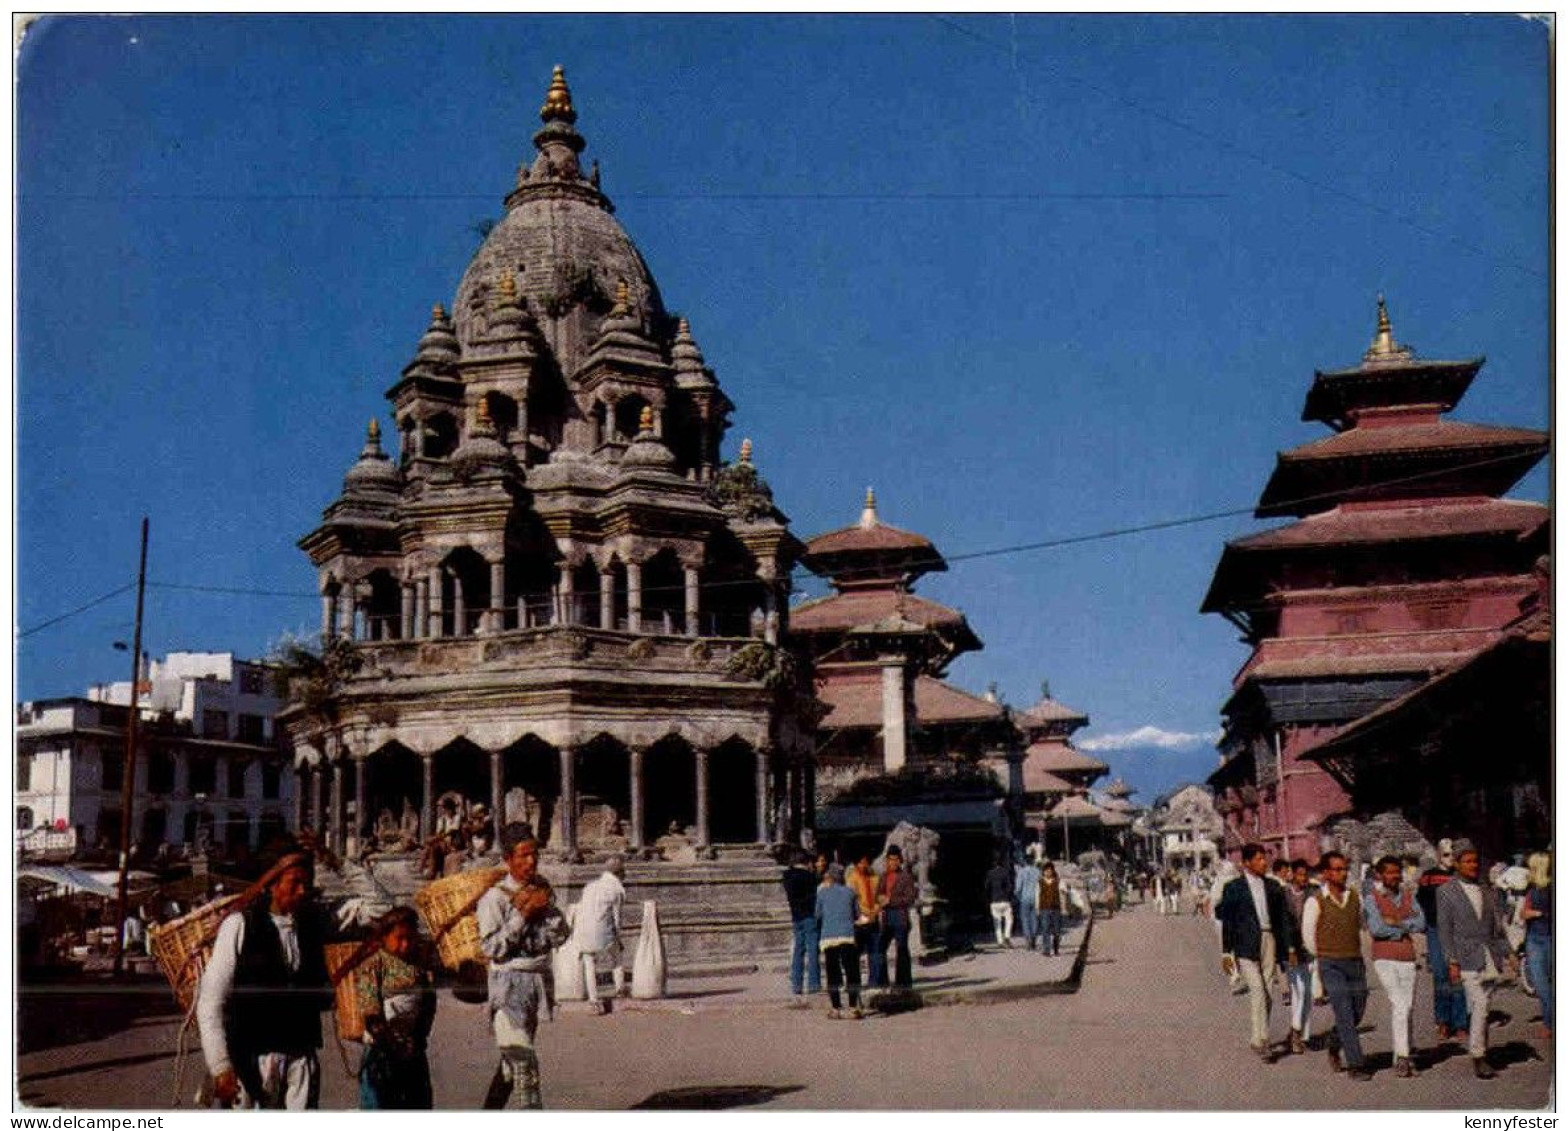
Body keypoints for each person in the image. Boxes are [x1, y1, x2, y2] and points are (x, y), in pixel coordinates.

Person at [196, 850, 333, 1109]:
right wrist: (220, 1065)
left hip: (301, 1061)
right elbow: (210, 1001)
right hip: (251, 1062)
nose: (303, 891)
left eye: (307, 883)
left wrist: (337, 862)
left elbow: (377, 909)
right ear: (271, 884)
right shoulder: (239, 925)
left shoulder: (313, 924)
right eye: (295, 883)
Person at [477, 823, 571, 1109]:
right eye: (523, 855)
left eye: (534, 855)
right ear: (508, 859)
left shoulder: (543, 890)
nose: (531, 862)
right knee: (524, 1065)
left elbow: (561, 936)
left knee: (511, 1066)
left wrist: (549, 912)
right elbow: (491, 948)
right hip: (508, 986)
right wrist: (523, 915)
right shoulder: (494, 898)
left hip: (536, 986)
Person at [1436, 839, 1516, 1079]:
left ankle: (1482, 1050)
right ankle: (1478, 1055)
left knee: (1485, 1006)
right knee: (1480, 1004)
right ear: (1457, 864)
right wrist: (1451, 961)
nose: (1473, 865)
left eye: (1475, 861)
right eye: (1467, 861)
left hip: (1489, 956)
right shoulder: (1446, 892)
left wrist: (1509, 953)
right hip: (1465, 957)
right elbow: (1444, 930)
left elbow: (1496, 928)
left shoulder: (1487, 891)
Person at [1216, 844, 1298, 1063]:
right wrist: (1226, 953)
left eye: (1265, 859)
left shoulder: (1273, 887)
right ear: (1247, 863)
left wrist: (1289, 948)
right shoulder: (1234, 888)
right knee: (1258, 991)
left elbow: (1283, 920)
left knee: (1269, 992)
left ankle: (1260, 1037)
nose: (1264, 863)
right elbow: (1228, 922)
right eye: (1260, 859)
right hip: (1245, 944)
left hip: (1268, 939)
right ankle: (1260, 1040)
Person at [354, 906, 436, 1109]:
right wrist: (391, 1043)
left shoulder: (418, 966)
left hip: (412, 1047)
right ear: (384, 937)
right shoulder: (374, 965)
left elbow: (428, 1004)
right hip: (382, 1049)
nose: (405, 944)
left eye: (410, 938)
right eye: (399, 938)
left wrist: (417, 1039)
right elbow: (370, 1009)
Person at [1303, 851, 1372, 1080]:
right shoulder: (1315, 901)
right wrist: (1324, 957)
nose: (1343, 873)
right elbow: (1308, 937)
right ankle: (1356, 1064)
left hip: (1355, 962)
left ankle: (1334, 1041)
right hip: (1330, 964)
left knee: (1357, 1012)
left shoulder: (1355, 898)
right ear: (1325, 873)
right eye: (1337, 869)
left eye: (1344, 869)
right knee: (1343, 1010)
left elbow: (1362, 926)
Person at [1364, 854, 1426, 1078]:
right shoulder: (1372, 899)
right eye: (1389, 872)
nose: (1394, 876)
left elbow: (1421, 923)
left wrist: (1396, 923)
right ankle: (1402, 1056)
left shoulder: (1408, 896)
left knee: (1407, 1006)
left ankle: (1404, 1053)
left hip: (1407, 956)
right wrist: (1405, 926)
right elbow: (1377, 929)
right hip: (1384, 957)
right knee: (1399, 1003)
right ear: (1380, 875)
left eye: (1397, 871)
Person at [1417, 838, 1469, 1044]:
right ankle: (1442, 1020)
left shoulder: (1461, 877)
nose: (1450, 859)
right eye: (1446, 854)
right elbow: (1420, 901)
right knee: (1440, 975)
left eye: (1453, 855)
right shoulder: (1428, 877)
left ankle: (1460, 1022)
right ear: (1438, 855)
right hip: (1436, 930)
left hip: (1459, 932)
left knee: (1458, 976)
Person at [574, 855, 627, 1015]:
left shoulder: (590, 886)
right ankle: (620, 990)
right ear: (620, 873)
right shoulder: (617, 890)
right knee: (617, 956)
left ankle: (594, 1001)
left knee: (589, 962)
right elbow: (617, 918)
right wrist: (618, 937)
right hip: (603, 931)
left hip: (582, 930)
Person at [815, 863, 863, 1019]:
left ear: (830, 877)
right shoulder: (850, 892)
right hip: (847, 936)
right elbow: (857, 914)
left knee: (832, 971)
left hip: (829, 937)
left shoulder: (822, 893)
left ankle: (835, 1007)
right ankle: (853, 1006)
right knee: (851, 970)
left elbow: (818, 915)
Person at [1280, 859, 1316, 1055]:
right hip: (1291, 950)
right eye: (1300, 874)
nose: (1304, 879)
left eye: (1306, 875)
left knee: (1308, 993)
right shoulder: (1284, 895)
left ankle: (1302, 1034)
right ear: (1292, 874)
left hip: (1309, 949)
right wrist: (1290, 948)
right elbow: (1283, 924)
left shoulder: (1313, 894)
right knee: (1298, 990)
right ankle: (1295, 1030)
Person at [781, 849, 822, 1000]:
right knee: (812, 951)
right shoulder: (809, 877)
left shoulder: (787, 876)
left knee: (798, 950)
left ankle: (797, 984)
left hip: (796, 915)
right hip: (809, 915)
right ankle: (813, 983)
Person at [1520, 851, 1552, 1039]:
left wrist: (1537, 913)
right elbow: (1524, 913)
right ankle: (1549, 1021)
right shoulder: (1531, 888)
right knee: (1541, 985)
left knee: (1547, 984)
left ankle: (1550, 1022)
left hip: (1548, 937)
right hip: (1534, 938)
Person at [878, 845, 918, 989]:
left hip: (900, 916)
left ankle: (903, 982)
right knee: (880, 947)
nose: (893, 863)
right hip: (886, 917)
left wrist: (891, 901)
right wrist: (880, 899)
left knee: (901, 949)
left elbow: (910, 898)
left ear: (899, 861)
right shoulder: (883, 876)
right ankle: (882, 981)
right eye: (890, 860)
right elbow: (879, 893)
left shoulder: (906, 877)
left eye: (895, 860)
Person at [847, 852, 885, 986]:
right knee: (855, 953)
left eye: (865, 862)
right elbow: (852, 901)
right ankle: (854, 981)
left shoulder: (875, 878)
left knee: (875, 952)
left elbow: (880, 897)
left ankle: (875, 981)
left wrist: (876, 910)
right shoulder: (852, 879)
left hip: (873, 918)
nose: (864, 865)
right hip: (859, 920)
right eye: (861, 863)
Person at [984, 852, 1014, 948]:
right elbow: (1009, 886)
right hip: (1004, 900)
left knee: (997, 922)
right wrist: (1008, 895)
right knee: (1009, 919)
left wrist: (988, 898)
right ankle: (1007, 935)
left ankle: (1000, 941)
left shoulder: (989, 873)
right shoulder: (1005, 872)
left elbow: (986, 887)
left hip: (994, 900)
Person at [1014, 854, 1042, 951]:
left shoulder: (1021, 872)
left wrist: (1017, 897)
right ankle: (1033, 938)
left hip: (1024, 899)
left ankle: (1028, 941)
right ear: (1033, 861)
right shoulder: (1038, 872)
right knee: (1034, 919)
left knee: (1025, 920)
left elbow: (1018, 888)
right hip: (1036, 899)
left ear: (1025, 861)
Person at [1038, 862, 1064, 956]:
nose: (1048, 872)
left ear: (1053, 871)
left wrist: (1064, 908)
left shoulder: (1058, 881)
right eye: (1046, 871)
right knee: (1045, 929)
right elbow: (1037, 895)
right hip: (1044, 908)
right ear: (1043, 872)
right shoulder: (1040, 882)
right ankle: (1047, 950)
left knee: (1057, 930)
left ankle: (1056, 948)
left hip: (1056, 908)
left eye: (1050, 870)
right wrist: (1037, 908)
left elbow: (1062, 894)